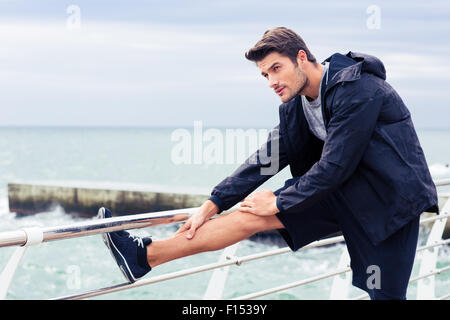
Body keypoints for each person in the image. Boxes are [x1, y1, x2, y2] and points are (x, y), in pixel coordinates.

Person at [99, 27, 439, 300]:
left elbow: (337, 163)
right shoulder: (296, 106)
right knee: (249, 214)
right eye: (264, 75)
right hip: (339, 192)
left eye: (276, 68)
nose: (272, 81)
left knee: (385, 294)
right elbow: (268, 159)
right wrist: (213, 203)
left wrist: (278, 199)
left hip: (387, 202)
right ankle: (144, 257)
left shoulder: (358, 89)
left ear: (301, 58)